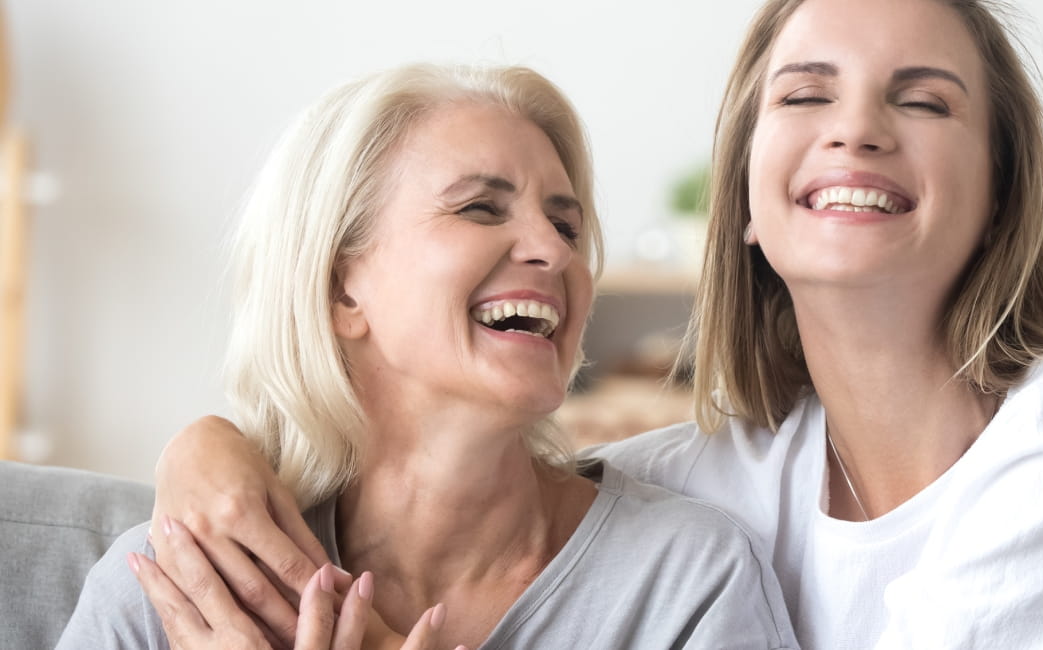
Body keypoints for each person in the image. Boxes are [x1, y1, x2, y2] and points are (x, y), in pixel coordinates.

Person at [148, 0, 1043, 648]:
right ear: (743, 193)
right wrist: (210, 447)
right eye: (805, 94)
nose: (856, 129)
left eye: (923, 99)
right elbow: (490, 484)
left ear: (1000, 190)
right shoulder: (718, 483)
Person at [56, 63, 797, 650]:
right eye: (480, 207)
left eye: (566, 226)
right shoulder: (183, 583)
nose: (553, 250)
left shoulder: (687, 580)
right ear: (341, 287)